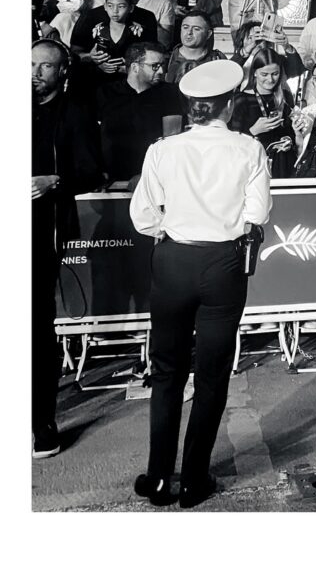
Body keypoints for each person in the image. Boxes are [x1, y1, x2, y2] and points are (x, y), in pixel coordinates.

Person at [130, 60, 271, 508]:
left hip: (173, 259)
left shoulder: (163, 150)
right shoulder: (248, 149)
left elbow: (144, 215)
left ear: (193, 107)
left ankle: (157, 478)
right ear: (229, 105)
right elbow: (258, 214)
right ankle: (193, 479)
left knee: (167, 372)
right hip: (223, 265)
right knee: (211, 375)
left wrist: (170, 232)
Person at [31, 39, 102, 459]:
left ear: (62, 72)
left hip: (42, 232)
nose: (35, 72)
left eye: (45, 66)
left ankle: (42, 423)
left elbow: (92, 171)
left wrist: (53, 181)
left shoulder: (74, 113)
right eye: (31, 64)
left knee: (36, 328)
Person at [95, 43, 183, 184]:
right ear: (135, 67)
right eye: (154, 66)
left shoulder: (169, 93)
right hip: (111, 180)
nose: (161, 71)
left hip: (152, 177)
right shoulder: (106, 93)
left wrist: (148, 176)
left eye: (162, 65)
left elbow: (171, 140)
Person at [229, 44, 297, 178]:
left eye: (275, 74)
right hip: (252, 166)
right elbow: (231, 143)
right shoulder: (241, 100)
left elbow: (290, 132)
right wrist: (253, 131)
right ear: (254, 72)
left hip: (281, 165)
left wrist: (288, 140)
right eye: (264, 74)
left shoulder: (285, 97)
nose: (270, 79)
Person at [71, 0, 150, 88]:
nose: (115, 11)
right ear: (105, 7)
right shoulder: (97, 29)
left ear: (130, 8)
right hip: (96, 84)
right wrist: (92, 58)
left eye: (121, 6)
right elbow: (75, 54)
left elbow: (150, 59)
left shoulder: (139, 32)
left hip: (128, 85)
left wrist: (130, 68)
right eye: (110, 6)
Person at [164, 10, 225, 87]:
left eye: (196, 29)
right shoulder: (166, 59)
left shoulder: (217, 59)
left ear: (208, 34)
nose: (189, 32)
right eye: (185, 27)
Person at [231, 20, 304, 81]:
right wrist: (245, 52)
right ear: (241, 42)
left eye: (260, 37)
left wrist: (287, 47)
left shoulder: (275, 60)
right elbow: (228, 73)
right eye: (250, 38)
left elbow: (297, 70)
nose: (256, 41)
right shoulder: (238, 61)